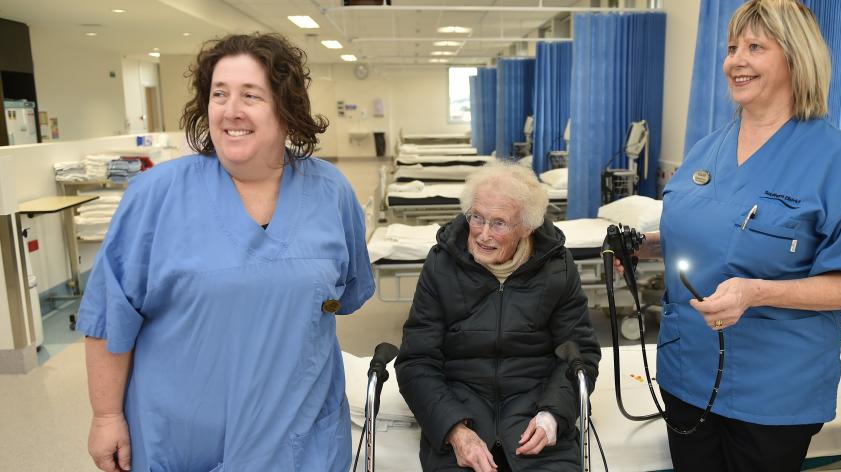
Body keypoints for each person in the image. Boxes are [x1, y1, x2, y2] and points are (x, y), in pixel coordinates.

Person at [79, 33, 374, 472]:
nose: (231, 110)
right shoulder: (155, 195)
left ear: (285, 108)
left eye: (250, 95)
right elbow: (108, 316)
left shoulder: (330, 190)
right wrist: (106, 416)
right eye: (219, 94)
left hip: (298, 436)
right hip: (181, 441)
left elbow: (342, 296)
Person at [628, 1, 841, 470]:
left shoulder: (837, 162)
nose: (736, 60)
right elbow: (715, 236)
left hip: (774, 392)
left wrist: (756, 292)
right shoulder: (705, 149)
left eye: (755, 47)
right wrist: (647, 247)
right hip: (685, 370)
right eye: (733, 47)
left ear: (795, 58)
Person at [396, 162, 601, 472]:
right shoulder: (441, 265)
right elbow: (416, 360)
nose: (483, 234)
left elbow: (579, 354)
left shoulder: (557, 267)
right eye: (477, 218)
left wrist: (552, 416)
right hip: (461, 413)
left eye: (499, 223)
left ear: (526, 227)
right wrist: (454, 429)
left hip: (533, 414)